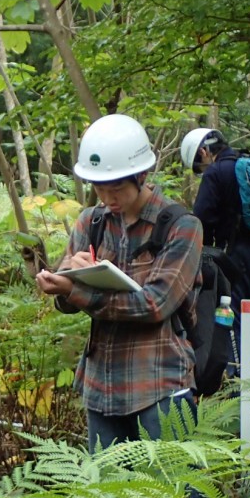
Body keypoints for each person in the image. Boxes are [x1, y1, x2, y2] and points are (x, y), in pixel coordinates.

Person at [36, 113, 203, 453]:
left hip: (159, 383)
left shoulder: (180, 226)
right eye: (99, 187)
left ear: (141, 176)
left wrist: (80, 291)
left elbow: (155, 304)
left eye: (117, 188)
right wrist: (63, 281)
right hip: (101, 386)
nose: (107, 197)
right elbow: (66, 303)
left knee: (179, 497)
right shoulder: (91, 222)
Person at [180, 127, 250, 369]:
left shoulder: (216, 172)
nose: (201, 171)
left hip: (237, 258)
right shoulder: (249, 164)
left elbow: (200, 221)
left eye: (198, 166)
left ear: (203, 151)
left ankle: (240, 388)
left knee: (236, 321)